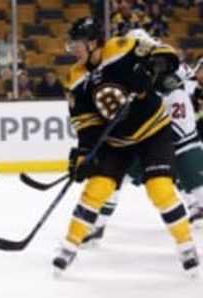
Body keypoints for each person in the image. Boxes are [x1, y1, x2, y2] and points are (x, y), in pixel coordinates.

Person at [54, 17, 198, 276]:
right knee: (96, 188)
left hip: (153, 132)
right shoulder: (74, 78)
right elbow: (85, 123)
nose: (73, 48)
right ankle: (69, 245)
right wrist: (85, 155)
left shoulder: (124, 46)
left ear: (93, 42)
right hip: (115, 142)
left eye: (77, 43)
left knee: (160, 189)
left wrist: (155, 67)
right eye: (71, 43)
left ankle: (186, 244)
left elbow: (165, 53)